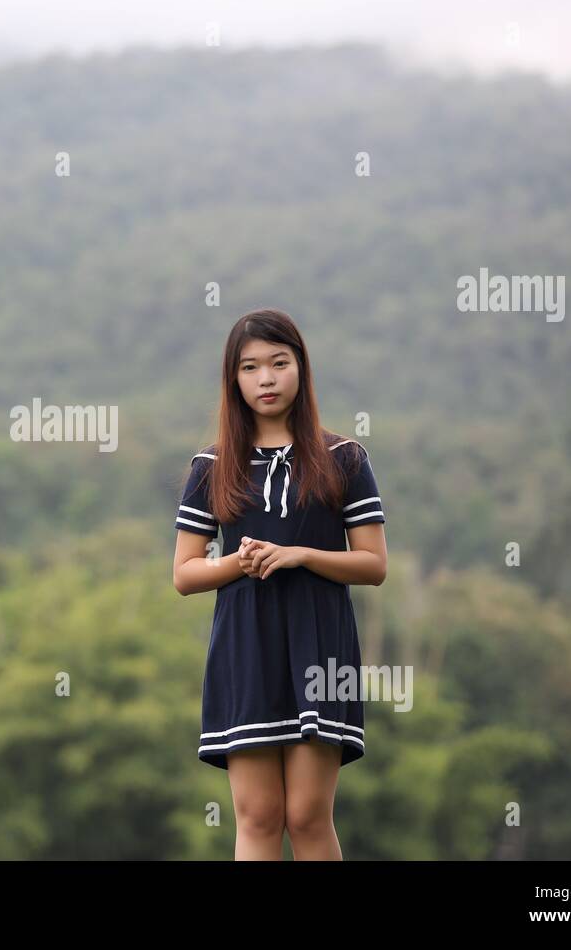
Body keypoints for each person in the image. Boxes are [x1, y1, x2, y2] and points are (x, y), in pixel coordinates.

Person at [172, 308, 388, 861]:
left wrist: (300, 556)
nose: (265, 378)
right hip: (245, 647)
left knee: (308, 816)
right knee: (260, 816)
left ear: (301, 369)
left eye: (278, 363)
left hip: (322, 645)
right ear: (234, 379)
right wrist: (238, 565)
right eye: (249, 367)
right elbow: (185, 574)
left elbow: (373, 564)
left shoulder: (344, 458)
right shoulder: (211, 465)